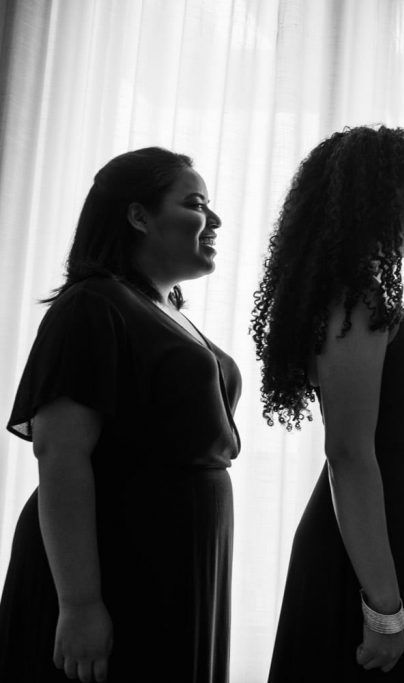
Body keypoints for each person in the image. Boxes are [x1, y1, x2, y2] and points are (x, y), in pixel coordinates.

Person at [0, 148, 239, 683]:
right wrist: (80, 604)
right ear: (138, 216)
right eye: (196, 204)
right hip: (118, 567)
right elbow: (60, 454)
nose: (215, 220)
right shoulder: (93, 305)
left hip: (176, 567)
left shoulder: (165, 310)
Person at [254, 126, 404, 682]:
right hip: (371, 548)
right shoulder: (355, 303)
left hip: (399, 529)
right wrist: (383, 609)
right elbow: (348, 453)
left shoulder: (364, 297)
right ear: (381, 200)